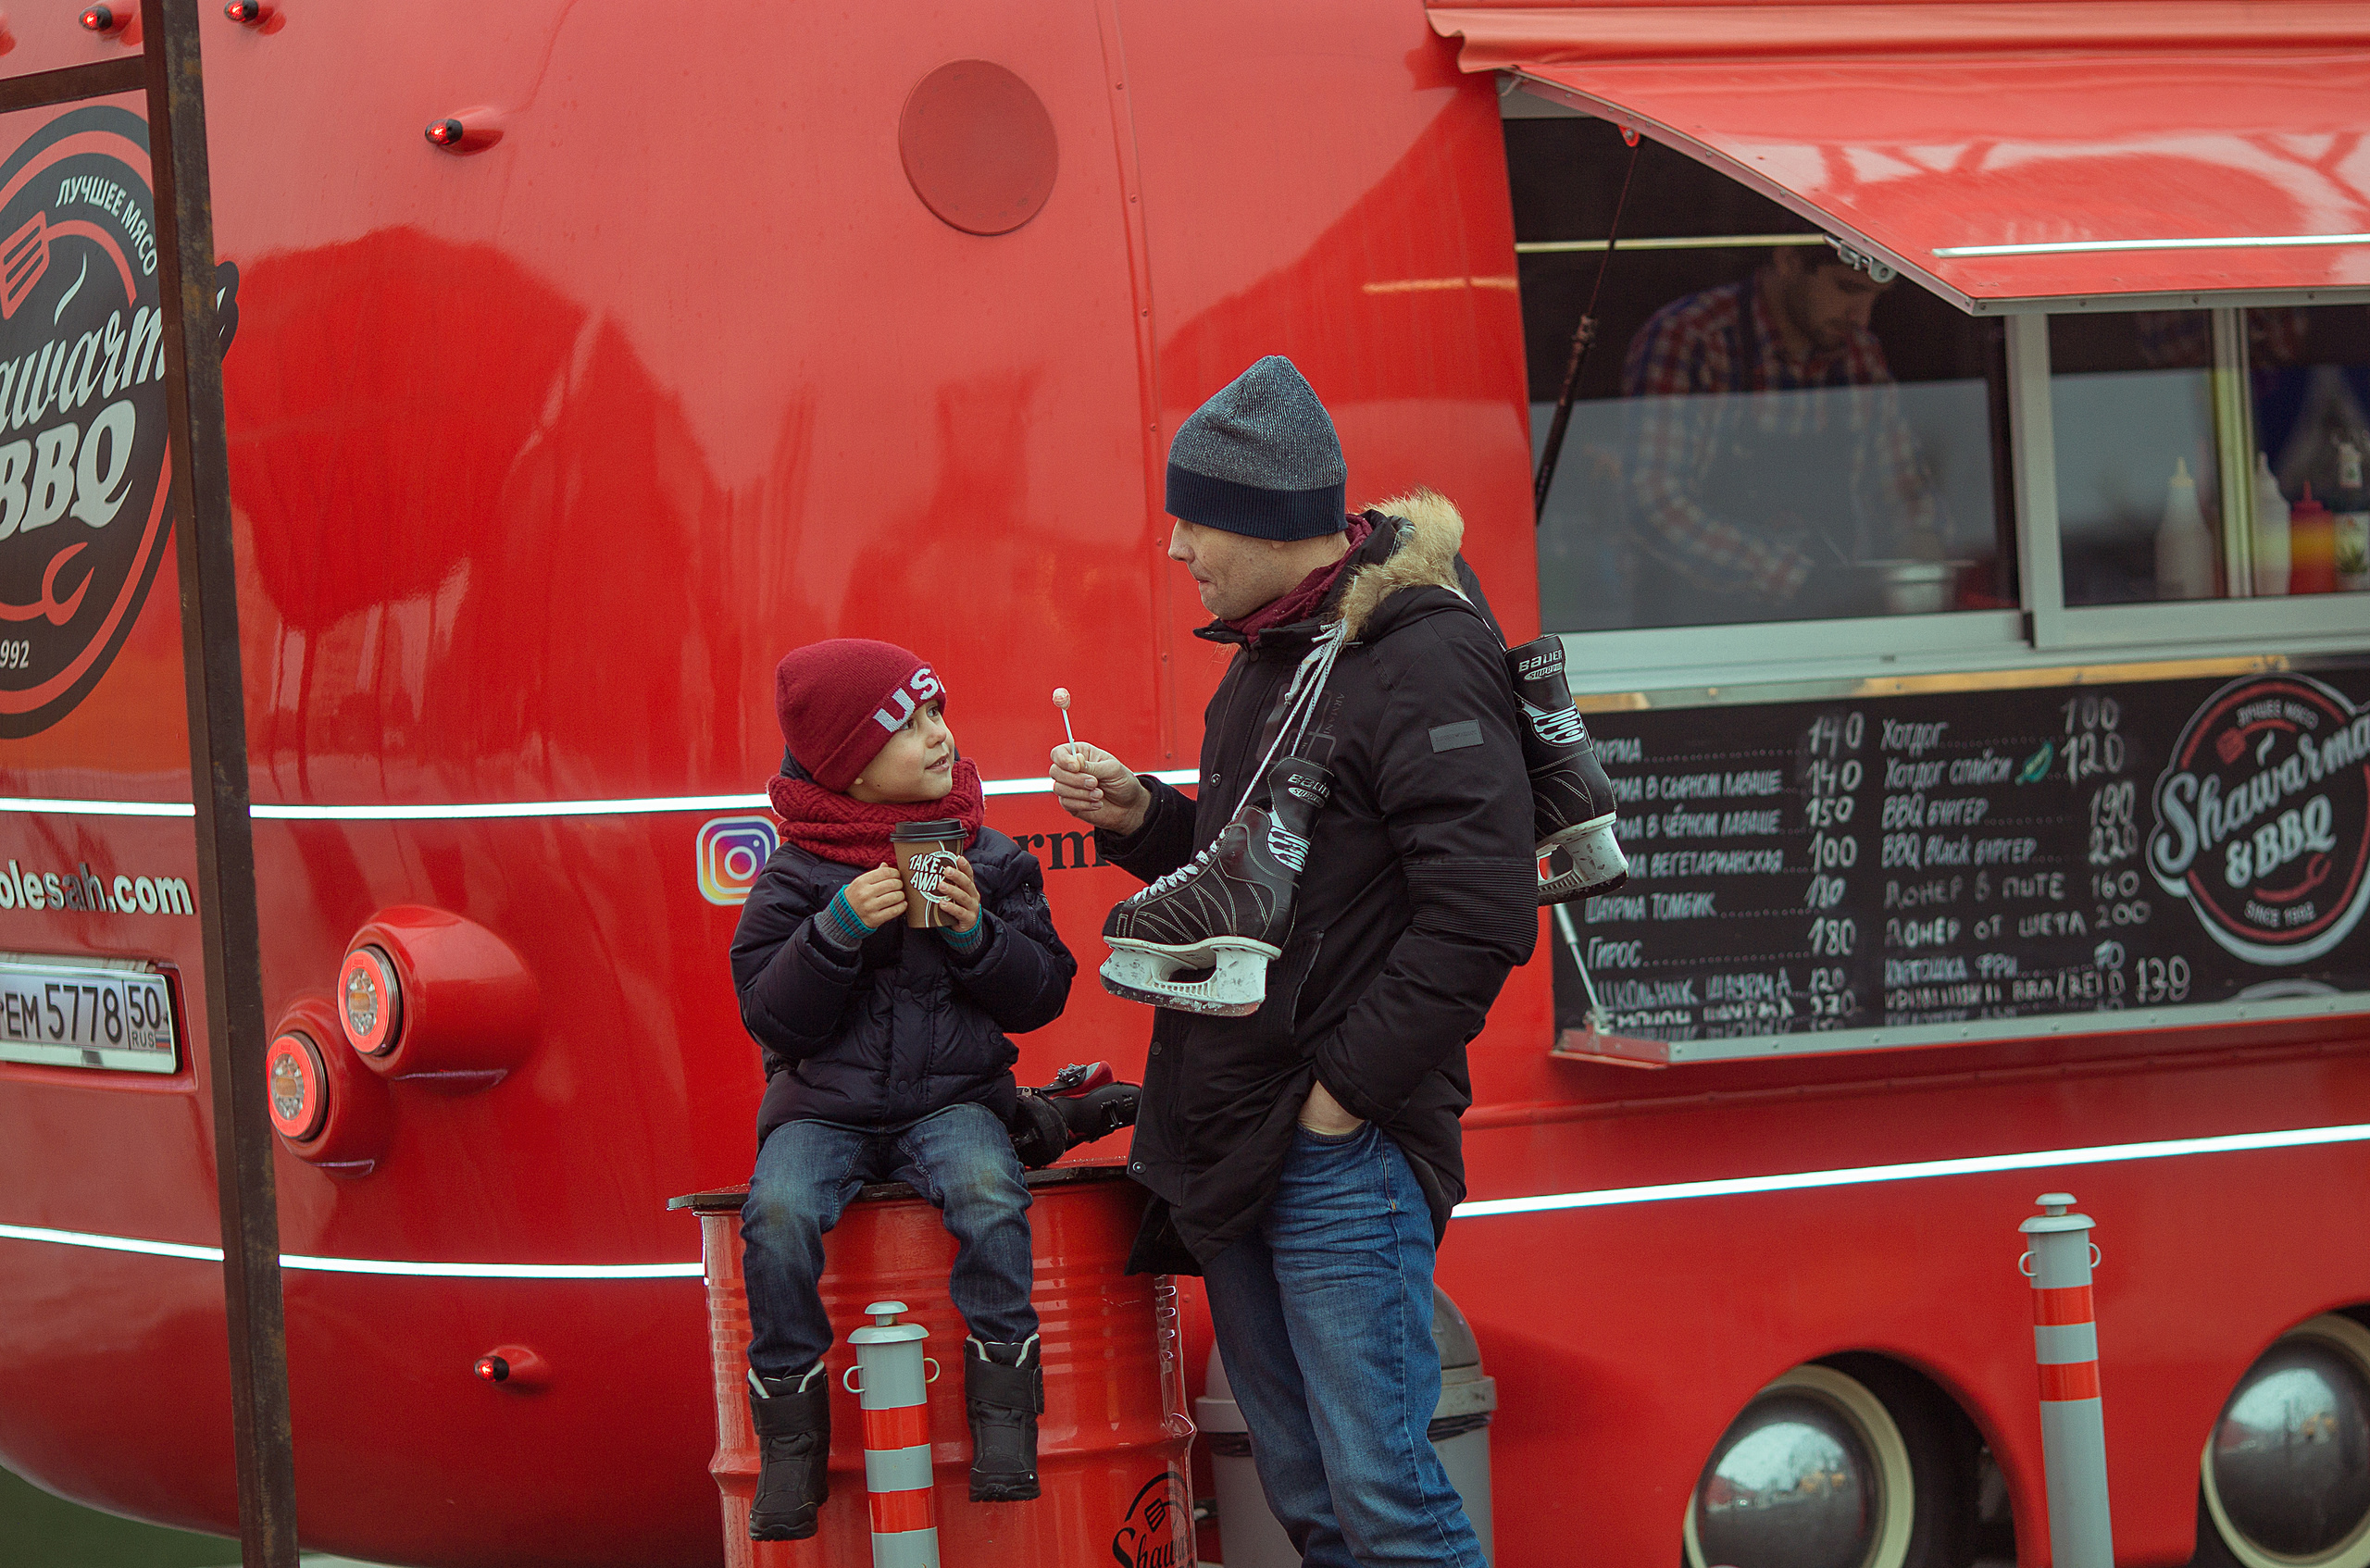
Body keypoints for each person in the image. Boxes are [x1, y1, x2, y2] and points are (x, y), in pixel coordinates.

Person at [1051, 356, 1536, 1568]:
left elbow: (1480, 916)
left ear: (1271, 520)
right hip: (1234, 1127)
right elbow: (1261, 875)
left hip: (1334, 1147)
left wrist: (1339, 1100)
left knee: (1386, 1504)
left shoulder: (1421, 656)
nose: (1175, 549)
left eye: (1195, 520)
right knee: (1312, 1500)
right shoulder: (1273, 649)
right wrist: (1144, 819)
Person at [730, 638, 1077, 1540]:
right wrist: (833, 933)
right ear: (848, 766)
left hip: (952, 1101)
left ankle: (1005, 1424)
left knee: (990, 1190)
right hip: (820, 1110)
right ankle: (791, 1446)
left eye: (937, 712)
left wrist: (975, 933)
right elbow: (770, 1018)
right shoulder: (795, 873)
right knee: (776, 1212)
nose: (938, 735)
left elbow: (1044, 992)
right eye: (907, 724)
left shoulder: (988, 856)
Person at [1619, 235, 1933, 619]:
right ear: (1788, 260)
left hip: (1835, 624)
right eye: (1847, 288)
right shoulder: (1691, 337)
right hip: (1696, 630)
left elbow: (1904, 489)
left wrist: (1922, 558)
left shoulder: (1859, 355)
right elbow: (1652, 504)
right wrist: (1803, 582)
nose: (1861, 317)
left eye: (1875, 298)